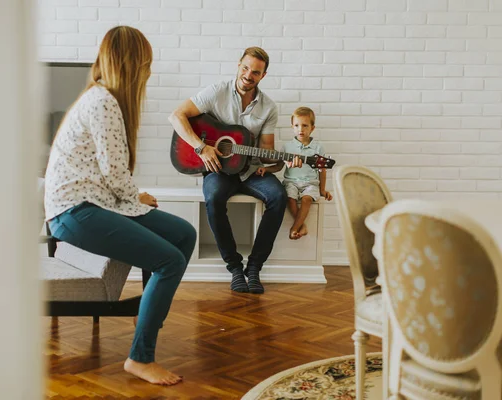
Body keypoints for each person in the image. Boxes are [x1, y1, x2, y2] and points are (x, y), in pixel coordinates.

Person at [44, 26, 196, 386]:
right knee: (169, 259)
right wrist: (136, 197)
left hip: (93, 203)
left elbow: (107, 175)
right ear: (131, 65)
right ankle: (140, 358)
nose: (149, 72)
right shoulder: (103, 102)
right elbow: (115, 174)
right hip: (74, 212)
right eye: (146, 64)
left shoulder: (102, 99)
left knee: (184, 234)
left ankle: (148, 315)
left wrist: (133, 197)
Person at [169, 47, 300, 295]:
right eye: (245, 68)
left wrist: (282, 162)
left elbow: (267, 152)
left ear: (263, 76)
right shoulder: (217, 92)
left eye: (256, 72)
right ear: (238, 65)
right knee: (214, 198)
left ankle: (254, 267)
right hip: (218, 169)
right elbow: (177, 116)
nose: (249, 75)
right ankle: (234, 267)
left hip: (251, 171)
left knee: (278, 196)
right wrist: (201, 148)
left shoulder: (269, 108)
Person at [256, 107, 332, 240]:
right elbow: (279, 166)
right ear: (292, 127)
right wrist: (266, 169)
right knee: (289, 199)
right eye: (297, 125)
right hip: (291, 182)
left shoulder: (318, 148)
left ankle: (294, 228)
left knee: (306, 199)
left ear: (312, 128)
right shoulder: (287, 147)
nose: (300, 129)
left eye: (305, 125)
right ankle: (302, 226)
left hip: (311, 183)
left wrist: (322, 190)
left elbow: (322, 170)